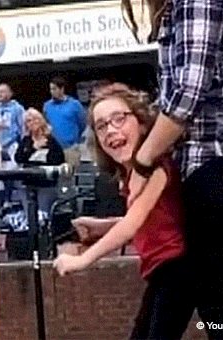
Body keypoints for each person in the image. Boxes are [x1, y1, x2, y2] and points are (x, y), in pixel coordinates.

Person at [121, 1, 223, 339]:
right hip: (216, 165)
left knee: (216, 304)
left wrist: (142, 164)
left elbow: (187, 93)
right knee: (187, 290)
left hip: (222, 161)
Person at [53, 84, 189, 339]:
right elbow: (145, 219)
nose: (111, 130)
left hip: (177, 272)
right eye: (102, 126)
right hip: (161, 274)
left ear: (142, 123)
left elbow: (134, 223)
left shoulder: (155, 168)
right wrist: (100, 226)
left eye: (119, 118)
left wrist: (83, 260)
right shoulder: (130, 176)